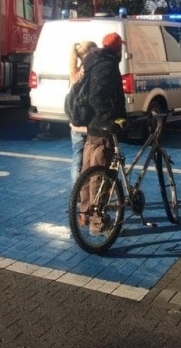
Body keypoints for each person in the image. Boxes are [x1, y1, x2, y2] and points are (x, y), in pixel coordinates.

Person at [78, 32, 127, 233]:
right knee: (101, 175)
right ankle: (98, 223)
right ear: (117, 49)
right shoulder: (107, 65)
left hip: (92, 128)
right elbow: (98, 96)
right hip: (103, 128)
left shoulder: (94, 62)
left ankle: (84, 215)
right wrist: (110, 118)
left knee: (89, 171)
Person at [68, 40, 97, 185]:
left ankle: (75, 192)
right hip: (88, 122)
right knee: (90, 160)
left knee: (77, 158)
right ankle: (85, 190)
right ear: (89, 52)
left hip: (75, 123)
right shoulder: (89, 71)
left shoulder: (74, 71)